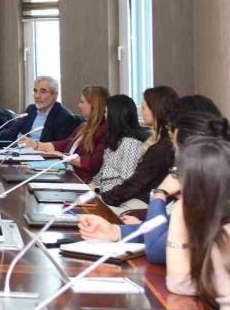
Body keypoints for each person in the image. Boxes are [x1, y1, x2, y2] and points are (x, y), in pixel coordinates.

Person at [78, 110, 229, 265]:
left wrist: (160, 193)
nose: (175, 159)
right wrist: (115, 231)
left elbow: (156, 249)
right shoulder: (208, 190)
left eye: (176, 151)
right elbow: (165, 230)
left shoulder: (215, 200)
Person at [165, 138, 230, 310]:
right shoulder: (218, 228)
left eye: (178, 175)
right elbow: (183, 285)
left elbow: (179, 283)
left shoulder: (225, 239)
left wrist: (180, 210)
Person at [99, 85, 179, 211]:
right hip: (140, 199)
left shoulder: (162, 147)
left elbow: (135, 184)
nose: (141, 111)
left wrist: (104, 198)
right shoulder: (159, 142)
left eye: (144, 107)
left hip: (146, 203)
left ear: (155, 110)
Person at [21, 86, 109, 182]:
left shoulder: (105, 130)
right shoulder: (84, 126)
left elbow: (94, 163)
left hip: (82, 181)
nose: (79, 105)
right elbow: (65, 144)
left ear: (94, 105)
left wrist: (64, 156)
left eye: (82, 102)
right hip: (66, 173)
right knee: (26, 172)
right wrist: (36, 145)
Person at [0, 76, 80, 143]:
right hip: (23, 152)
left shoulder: (64, 117)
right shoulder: (31, 109)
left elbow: (60, 147)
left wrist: (35, 146)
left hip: (43, 158)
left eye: (43, 91)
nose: (37, 96)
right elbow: (15, 129)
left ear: (55, 95)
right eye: (35, 91)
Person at [90, 94, 145, 193]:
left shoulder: (131, 144)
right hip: (103, 191)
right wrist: (91, 185)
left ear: (114, 115)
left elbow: (126, 182)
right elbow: (103, 172)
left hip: (112, 196)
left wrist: (98, 190)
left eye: (106, 112)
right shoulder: (116, 140)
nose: (104, 116)